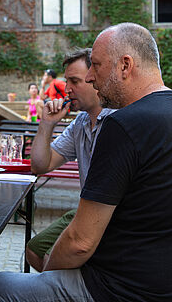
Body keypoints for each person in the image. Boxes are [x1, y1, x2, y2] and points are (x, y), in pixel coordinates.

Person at [0, 22, 172, 301]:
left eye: (97, 66)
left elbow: (80, 243)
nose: (91, 76)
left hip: (124, 290)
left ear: (125, 66)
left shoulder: (124, 123)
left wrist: (49, 275)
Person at [26, 48, 115, 272]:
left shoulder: (116, 121)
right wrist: (47, 124)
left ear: (94, 78)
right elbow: (39, 165)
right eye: (67, 81)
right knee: (34, 250)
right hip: (83, 211)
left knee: (52, 264)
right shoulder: (81, 122)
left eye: (75, 81)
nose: (67, 90)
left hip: (112, 216)